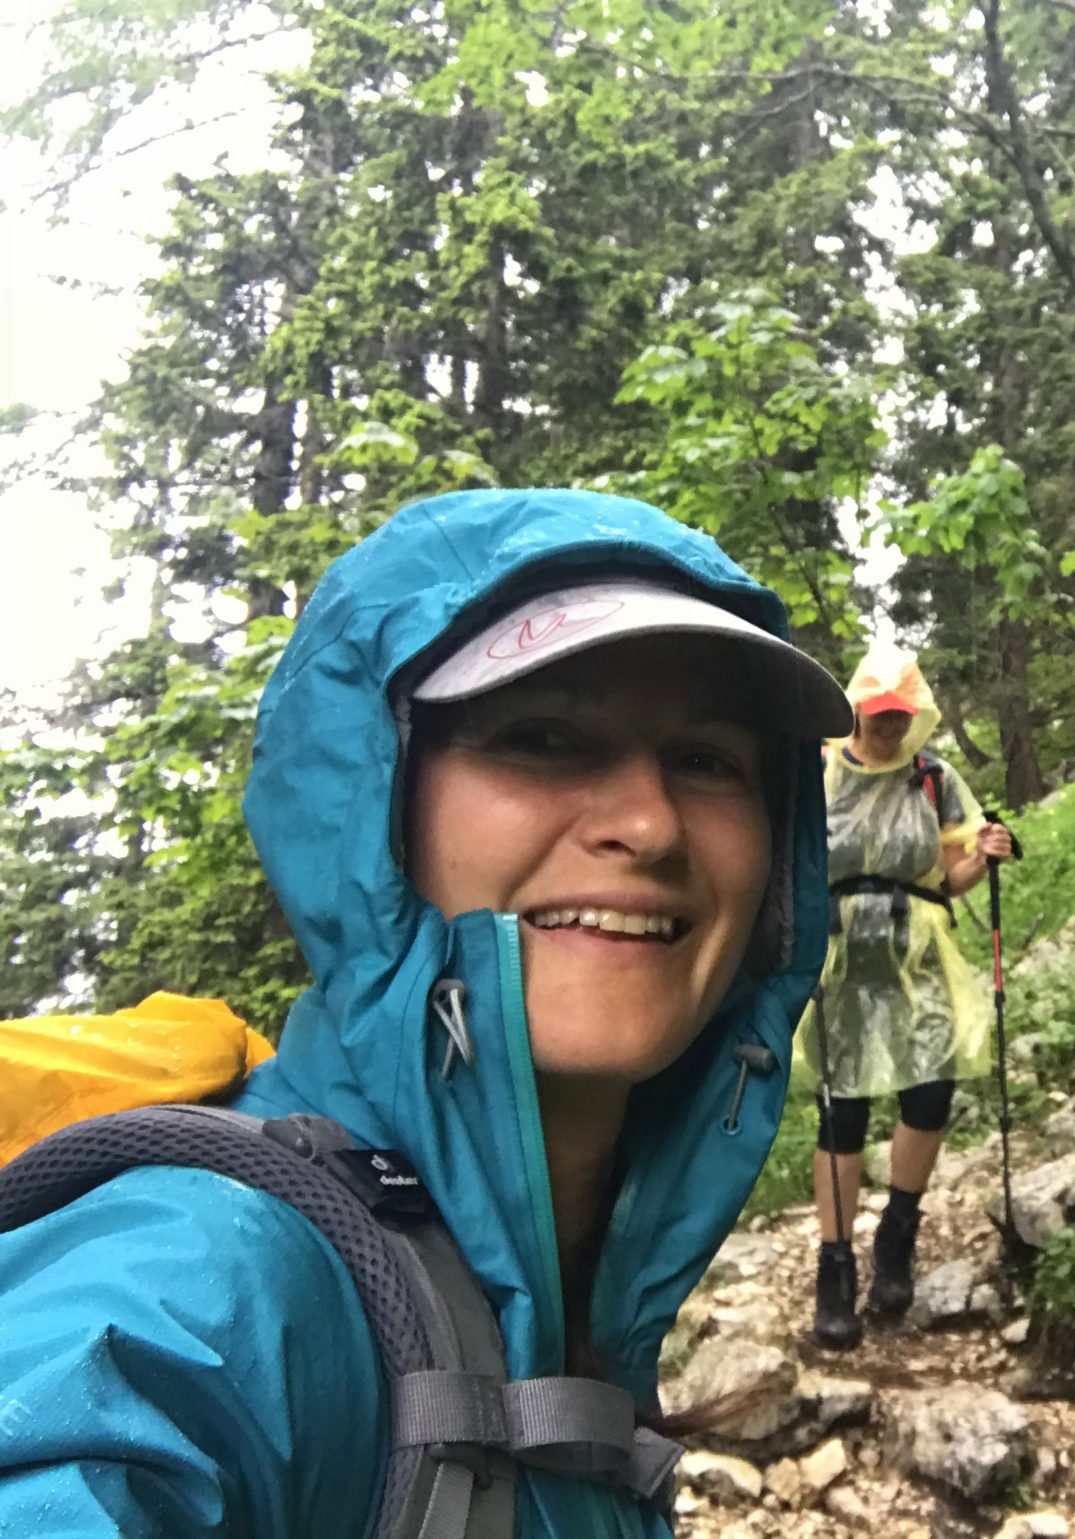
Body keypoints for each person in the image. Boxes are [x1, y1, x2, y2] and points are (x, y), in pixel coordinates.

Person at [0, 487, 850, 1536]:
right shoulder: (201, 1274)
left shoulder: (569, 1304)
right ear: (374, 813)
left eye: (708, 761)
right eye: (543, 736)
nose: (648, 822)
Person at [793, 641, 1012, 1349]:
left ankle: (897, 1238)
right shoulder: (817, 772)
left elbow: (950, 874)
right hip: (841, 960)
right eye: (878, 711)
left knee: (930, 1095)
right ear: (857, 703)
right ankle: (836, 1270)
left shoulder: (933, 778)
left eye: (899, 713)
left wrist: (984, 854)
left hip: (920, 956)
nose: (887, 724)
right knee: (843, 1110)